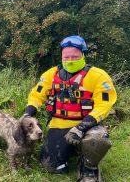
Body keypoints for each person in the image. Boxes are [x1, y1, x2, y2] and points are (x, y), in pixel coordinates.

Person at [24, 35, 117, 182]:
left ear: (83, 55)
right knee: (50, 166)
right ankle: (72, 152)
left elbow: (104, 105)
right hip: (58, 124)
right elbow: (37, 95)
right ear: (61, 56)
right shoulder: (51, 74)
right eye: (66, 57)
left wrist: (81, 127)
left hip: (87, 125)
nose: (70, 60)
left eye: (75, 56)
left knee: (98, 139)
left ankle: (89, 169)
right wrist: (28, 113)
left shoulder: (98, 76)